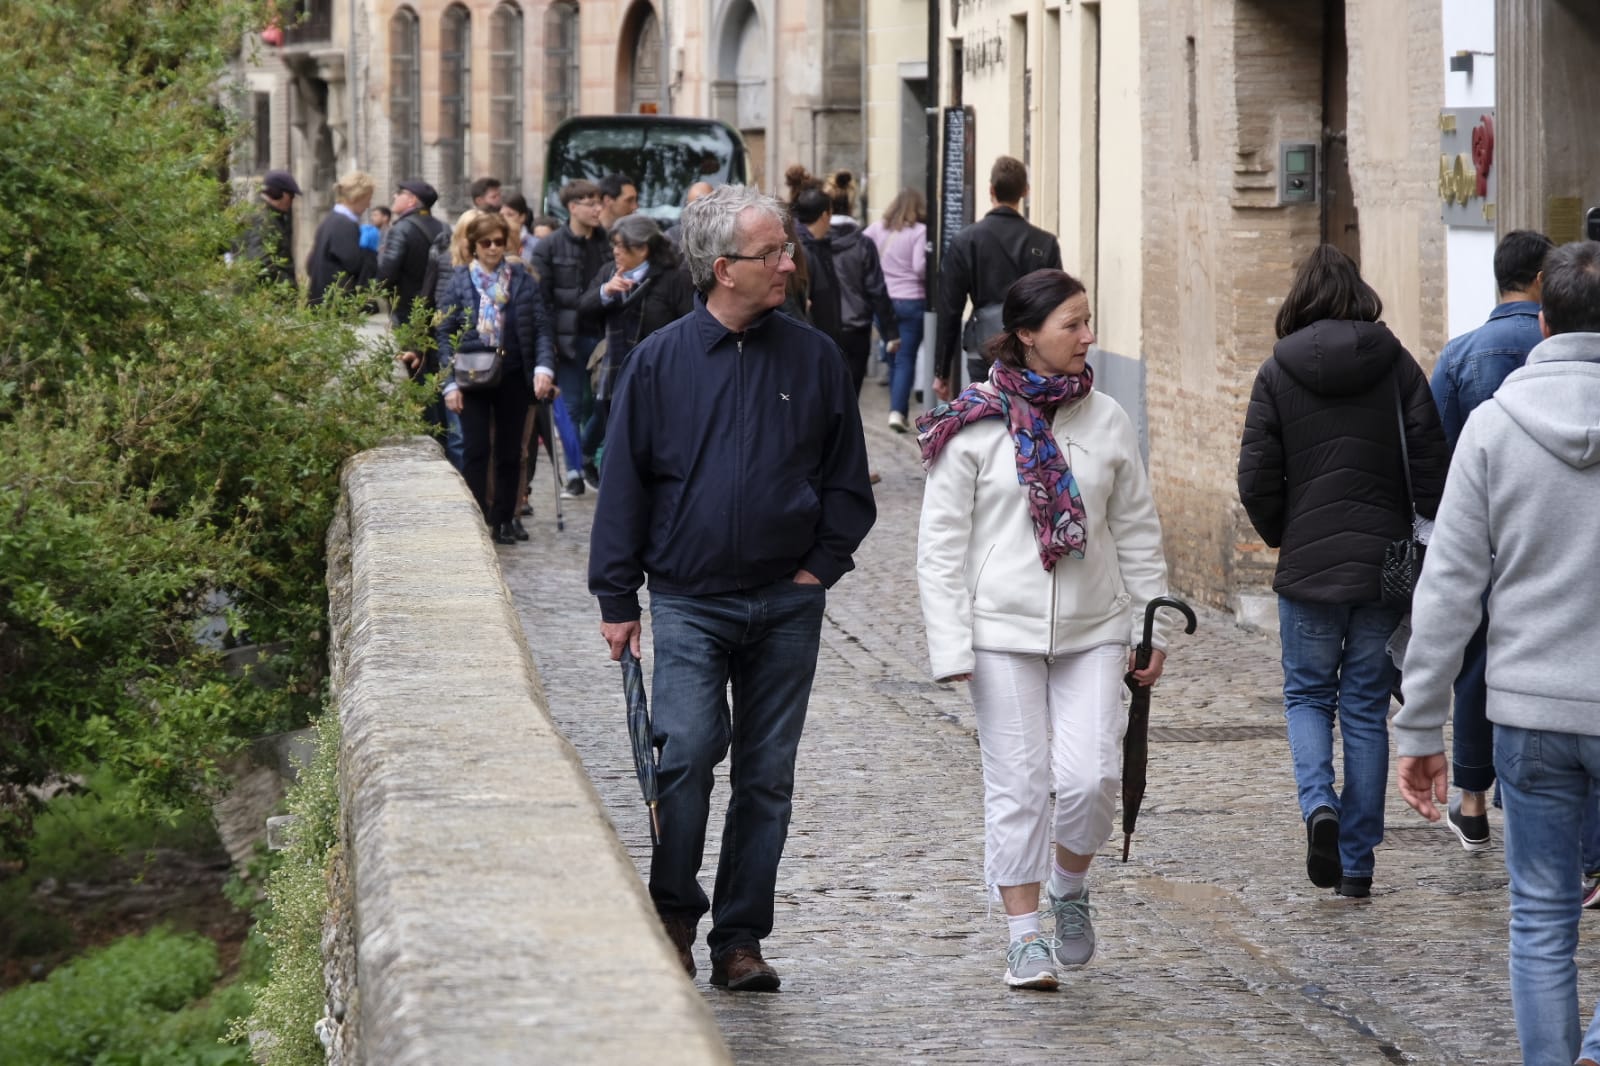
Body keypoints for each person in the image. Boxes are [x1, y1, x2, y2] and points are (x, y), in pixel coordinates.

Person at [588, 185, 875, 992]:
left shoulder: (814, 356)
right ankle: (675, 914)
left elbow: (849, 483)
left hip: (787, 604)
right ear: (723, 269)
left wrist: (821, 567)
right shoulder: (660, 362)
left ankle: (740, 938)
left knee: (766, 774)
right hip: (688, 600)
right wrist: (617, 599)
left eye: (788, 248)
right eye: (774, 253)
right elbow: (624, 489)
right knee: (684, 756)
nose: (790, 263)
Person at [917, 268, 1172, 990]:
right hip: (1000, 631)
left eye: (1089, 321)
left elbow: (1137, 530)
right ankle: (1023, 937)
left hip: (1095, 627)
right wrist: (951, 645)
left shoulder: (1108, 418)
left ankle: (1068, 885)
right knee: (1019, 785)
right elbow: (939, 547)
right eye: (1073, 325)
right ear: (1027, 335)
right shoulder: (971, 424)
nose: (1089, 337)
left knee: (1091, 777)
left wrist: (1151, 628)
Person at [1394, 240, 1600, 1066]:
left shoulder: (1493, 427)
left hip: (1528, 711)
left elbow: (1447, 588)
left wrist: (1418, 725)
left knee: (1543, 916)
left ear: (1543, 319)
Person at [1237, 244, 1448, 899]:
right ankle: (1356, 863)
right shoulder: (1396, 366)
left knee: (1306, 696)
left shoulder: (1278, 371)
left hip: (1309, 566)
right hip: (1383, 566)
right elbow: (1432, 467)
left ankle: (1317, 808)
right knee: (1362, 708)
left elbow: (1255, 477)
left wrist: (1285, 533)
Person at [1427, 228, 1553, 852]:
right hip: (1554, 527)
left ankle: (1472, 800)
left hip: (1485, 527)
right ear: (1540, 280)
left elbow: (1437, 454)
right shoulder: (1564, 344)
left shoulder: (1460, 353)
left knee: (1475, 661)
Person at [436, 212, 556, 543]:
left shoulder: (521, 279)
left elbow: (542, 327)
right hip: (471, 375)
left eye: (498, 243)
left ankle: (504, 518)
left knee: (509, 451)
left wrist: (543, 368)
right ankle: (476, 518)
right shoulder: (459, 281)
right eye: (485, 243)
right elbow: (443, 331)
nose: (492, 248)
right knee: (474, 450)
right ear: (473, 246)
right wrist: (448, 383)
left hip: (514, 374)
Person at [934, 155, 1062, 401]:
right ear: (1025, 191)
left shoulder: (965, 241)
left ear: (990, 190)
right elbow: (1056, 306)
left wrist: (941, 371)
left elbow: (949, 309)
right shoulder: (1045, 243)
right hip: (1030, 349)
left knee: (986, 418)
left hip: (983, 345)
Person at [576, 214, 695, 452]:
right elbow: (582, 310)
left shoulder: (672, 277)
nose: (615, 251)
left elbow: (690, 322)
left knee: (652, 439)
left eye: (622, 245)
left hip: (659, 370)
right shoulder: (609, 271)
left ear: (642, 248)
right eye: (614, 244)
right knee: (614, 435)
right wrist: (605, 292)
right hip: (614, 369)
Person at [531, 179, 611, 494]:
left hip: (604, 335)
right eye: (590, 203)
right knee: (572, 407)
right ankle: (575, 471)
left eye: (599, 203)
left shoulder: (608, 242)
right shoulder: (549, 246)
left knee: (607, 404)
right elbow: (541, 298)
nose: (597, 209)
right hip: (567, 340)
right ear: (572, 207)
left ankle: (588, 455)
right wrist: (546, 339)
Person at [820, 170, 899, 397]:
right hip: (856, 329)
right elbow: (877, 290)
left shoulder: (813, 244)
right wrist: (891, 332)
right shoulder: (863, 244)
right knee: (850, 397)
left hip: (821, 327)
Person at [865, 187, 928, 432]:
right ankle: (897, 411)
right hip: (911, 300)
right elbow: (919, 267)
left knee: (893, 357)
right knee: (905, 358)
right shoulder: (919, 231)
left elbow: (863, 247)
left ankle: (896, 407)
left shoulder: (878, 228)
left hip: (882, 303)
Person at [378, 180, 446, 330]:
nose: (395, 196)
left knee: (408, 351)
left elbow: (387, 272)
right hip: (437, 303)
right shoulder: (444, 227)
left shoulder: (401, 229)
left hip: (407, 307)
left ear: (412, 200)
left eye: (400, 193)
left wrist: (382, 291)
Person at [307, 171, 378, 306]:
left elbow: (310, 264)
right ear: (357, 197)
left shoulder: (331, 219)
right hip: (334, 302)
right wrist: (369, 252)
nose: (369, 205)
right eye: (368, 198)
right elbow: (355, 265)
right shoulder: (344, 224)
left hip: (320, 297)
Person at [241, 169, 301, 289]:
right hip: (264, 298)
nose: (292, 201)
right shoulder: (264, 220)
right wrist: (287, 287)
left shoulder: (265, 214)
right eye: (292, 196)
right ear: (283, 195)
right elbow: (260, 262)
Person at [664, 180, 714, 247]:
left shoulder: (727, 234)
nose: (702, 212)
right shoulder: (672, 237)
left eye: (708, 206)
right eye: (696, 207)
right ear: (687, 207)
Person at [501, 194, 536, 261]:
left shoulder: (535, 245)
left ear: (522, 217)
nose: (504, 219)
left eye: (510, 215)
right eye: (501, 215)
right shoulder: (495, 242)